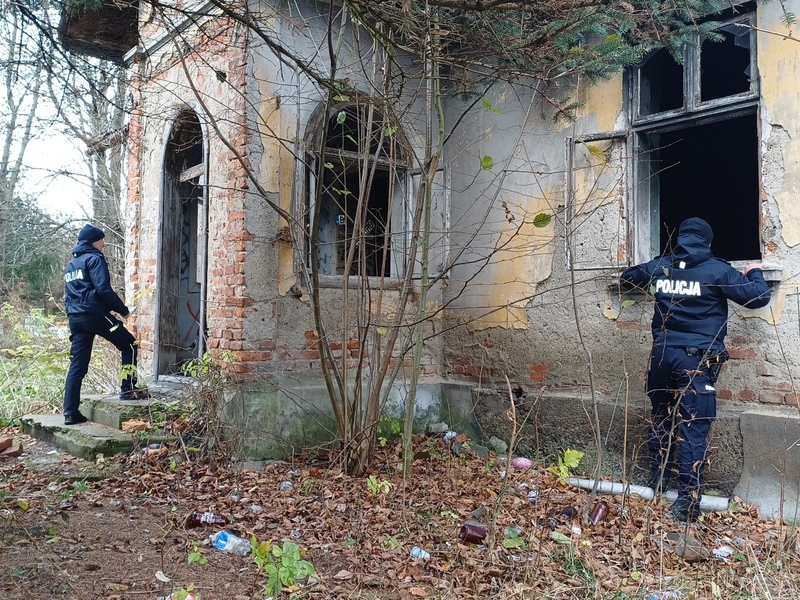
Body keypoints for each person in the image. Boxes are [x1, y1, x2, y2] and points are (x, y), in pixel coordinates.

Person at [621, 217, 770, 521]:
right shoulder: (718, 270)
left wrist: (657, 263)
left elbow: (627, 278)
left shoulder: (662, 266)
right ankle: (687, 505)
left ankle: (658, 480)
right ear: (708, 242)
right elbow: (758, 297)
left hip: (661, 357)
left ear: (679, 240)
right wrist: (755, 272)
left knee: (661, 416)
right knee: (693, 428)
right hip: (696, 361)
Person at [62, 224, 148, 425]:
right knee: (129, 344)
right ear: (93, 241)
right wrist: (124, 311)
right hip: (95, 316)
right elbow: (104, 290)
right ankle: (128, 389)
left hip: (75, 319)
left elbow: (70, 295)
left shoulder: (71, 265)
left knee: (77, 365)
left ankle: (70, 413)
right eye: (101, 239)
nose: (104, 242)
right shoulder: (95, 259)